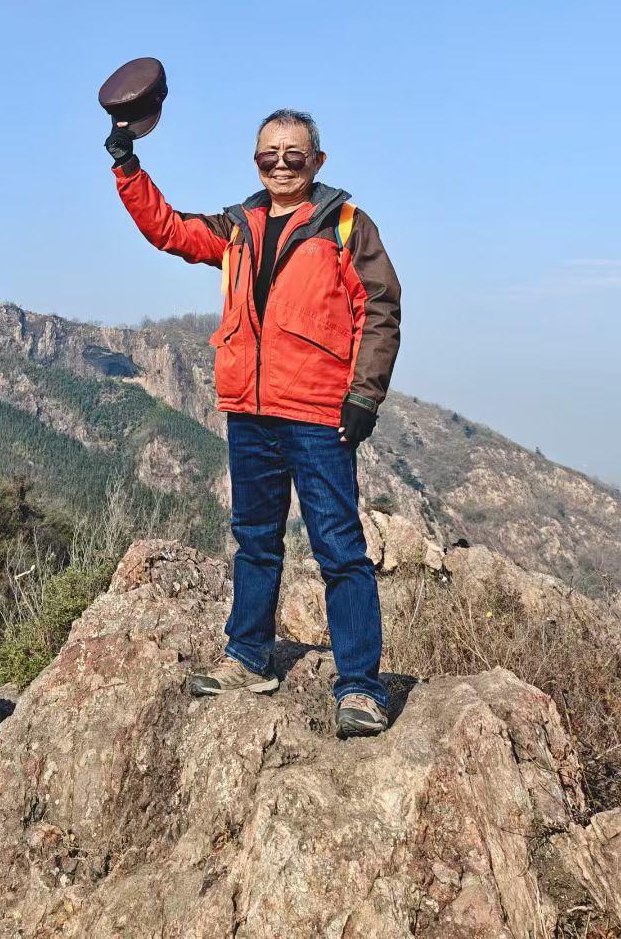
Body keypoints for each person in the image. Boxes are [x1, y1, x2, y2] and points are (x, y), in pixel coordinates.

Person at [106, 109, 401, 738]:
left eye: (295, 154)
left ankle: (359, 687)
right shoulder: (238, 227)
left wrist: (365, 395)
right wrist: (127, 163)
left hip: (321, 413)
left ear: (317, 161)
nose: (282, 164)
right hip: (250, 410)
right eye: (270, 153)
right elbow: (169, 230)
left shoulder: (346, 225)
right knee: (256, 540)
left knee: (340, 551)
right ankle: (248, 658)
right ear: (256, 160)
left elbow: (380, 307)